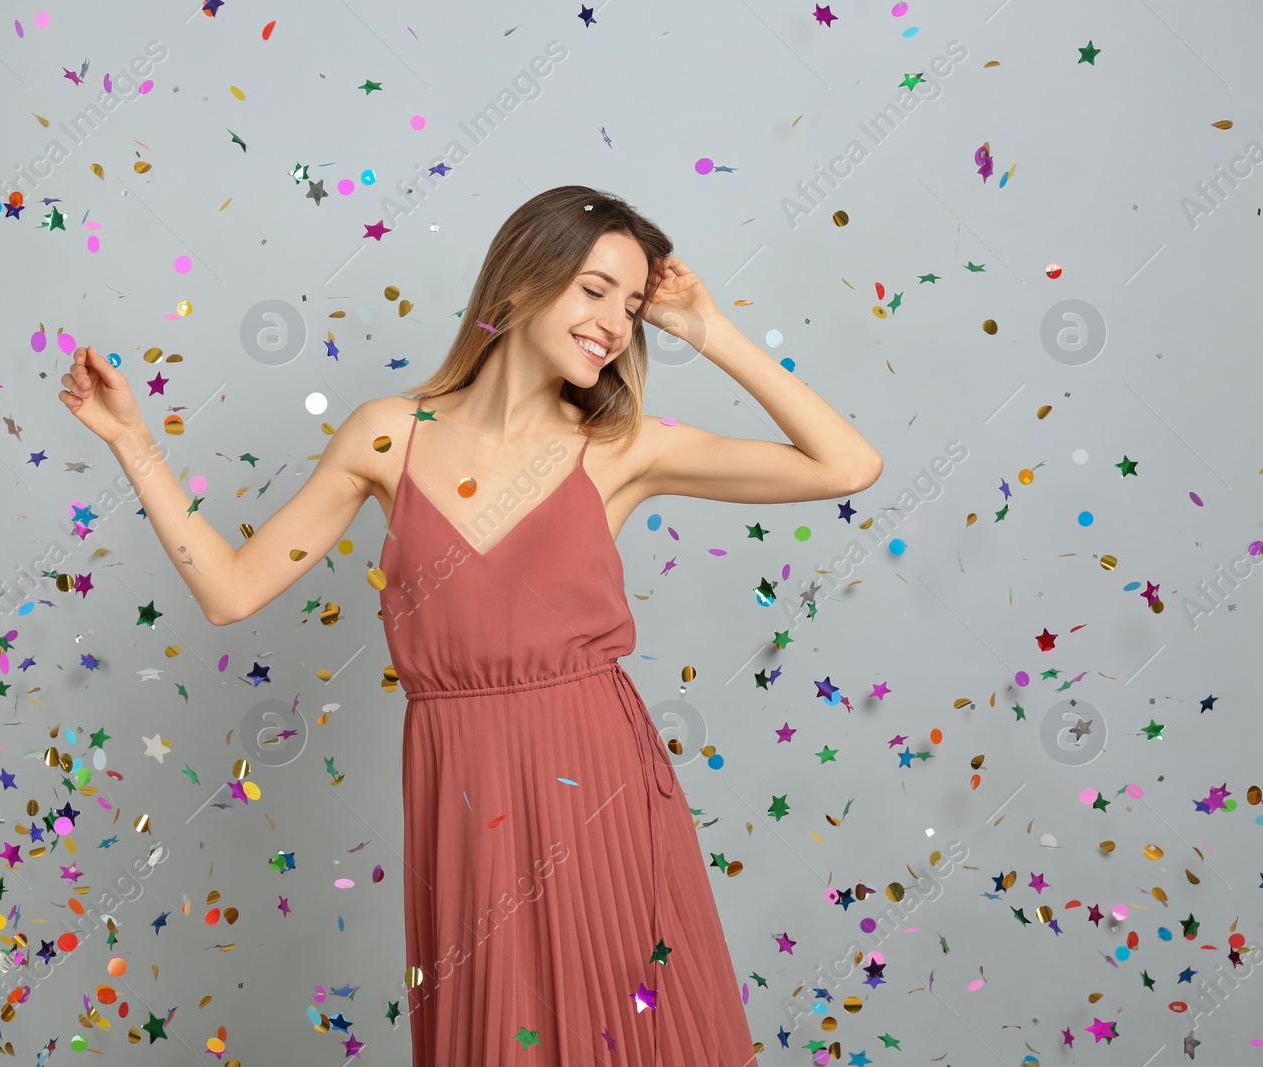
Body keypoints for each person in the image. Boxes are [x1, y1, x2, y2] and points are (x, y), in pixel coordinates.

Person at [60, 185, 882, 1064]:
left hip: (599, 782)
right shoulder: (388, 435)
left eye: (632, 306)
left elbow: (848, 464)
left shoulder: (622, 447)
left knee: (628, 1030)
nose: (615, 322)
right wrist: (134, 447)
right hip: (464, 791)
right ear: (525, 280)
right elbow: (229, 591)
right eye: (595, 289)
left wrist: (705, 328)